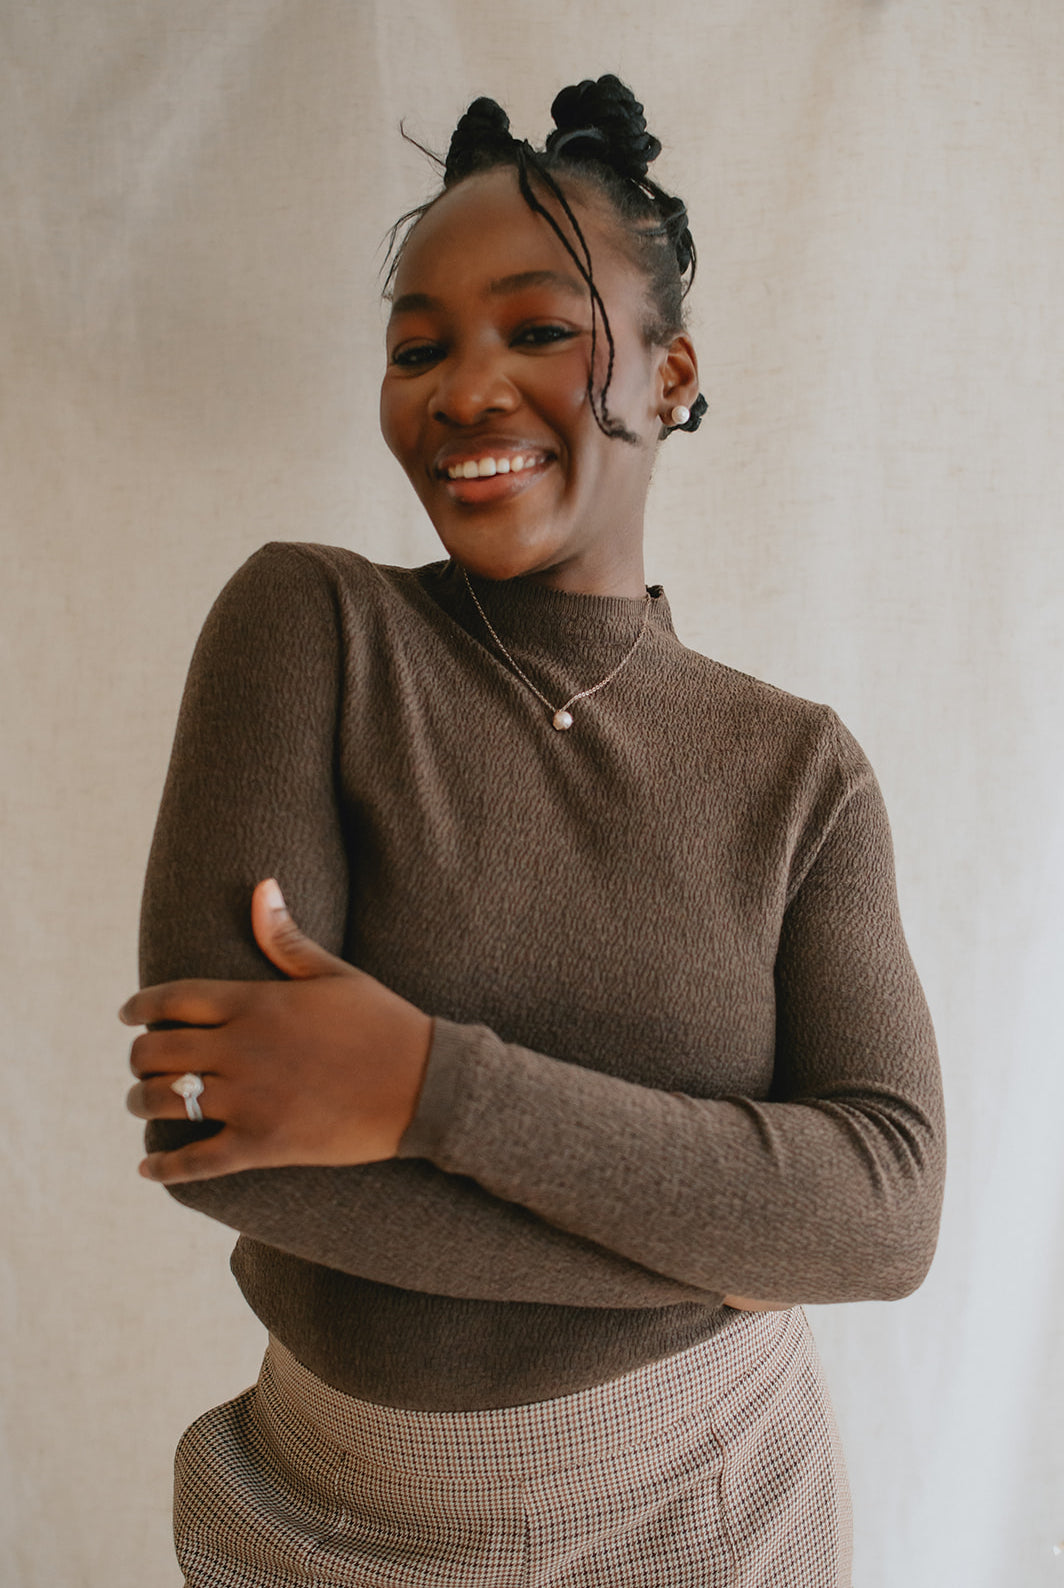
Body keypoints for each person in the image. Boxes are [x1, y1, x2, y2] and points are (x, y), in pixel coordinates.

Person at [123, 75, 945, 1588]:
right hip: (328, 1522)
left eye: (540, 331)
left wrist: (425, 1088)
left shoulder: (799, 772)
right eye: (418, 348)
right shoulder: (316, 629)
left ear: (670, 370)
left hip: (717, 1506)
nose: (464, 389)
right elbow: (215, 1128)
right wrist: (731, 1237)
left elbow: (884, 1213)